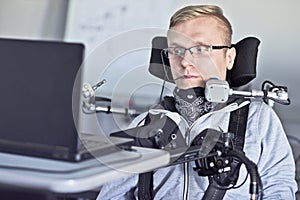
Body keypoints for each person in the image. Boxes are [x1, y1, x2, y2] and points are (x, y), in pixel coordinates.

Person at [97, 5, 297, 199]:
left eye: (200, 49)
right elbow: (111, 195)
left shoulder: (259, 119)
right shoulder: (144, 124)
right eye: (176, 51)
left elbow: (279, 189)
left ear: (229, 57)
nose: (184, 62)